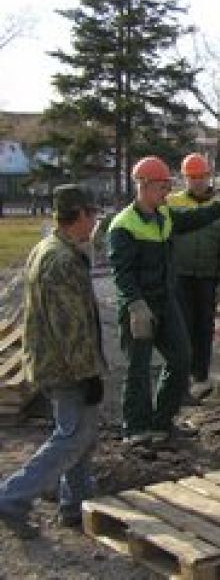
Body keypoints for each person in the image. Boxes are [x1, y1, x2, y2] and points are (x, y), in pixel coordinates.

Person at [106, 156, 220, 446]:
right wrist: (135, 305)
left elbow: (197, 218)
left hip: (165, 302)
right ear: (144, 186)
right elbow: (122, 273)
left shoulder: (165, 216)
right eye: (162, 187)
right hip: (139, 308)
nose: (167, 192)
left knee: (181, 358)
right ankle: (135, 428)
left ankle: (162, 422)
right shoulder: (124, 225)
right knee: (138, 368)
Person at [0, 185, 105, 539]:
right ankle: (12, 497)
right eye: (92, 214)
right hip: (65, 367)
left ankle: (75, 504)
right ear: (80, 215)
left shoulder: (49, 248)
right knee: (71, 438)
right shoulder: (61, 261)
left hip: (54, 361)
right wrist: (88, 374)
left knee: (81, 436)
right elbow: (70, 326)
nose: (95, 222)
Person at [168, 153, 220, 398]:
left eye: (201, 176)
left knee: (204, 328)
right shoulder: (172, 203)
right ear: (184, 178)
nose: (197, 181)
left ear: (208, 177)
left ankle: (201, 377)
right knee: (182, 328)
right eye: (192, 177)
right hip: (180, 277)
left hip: (208, 279)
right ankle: (182, 378)